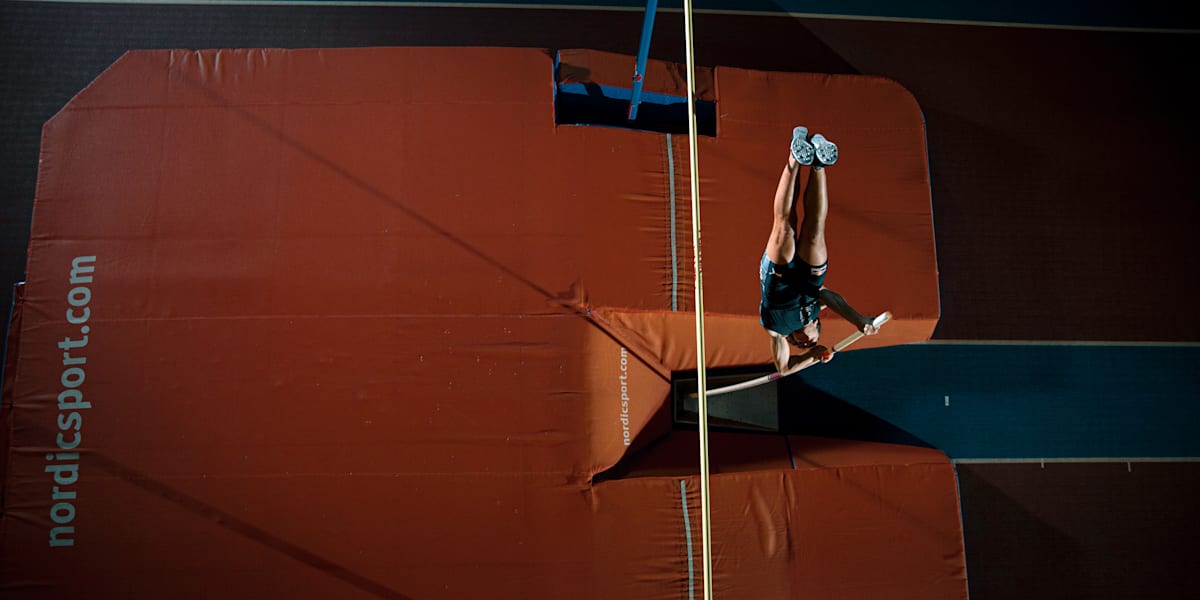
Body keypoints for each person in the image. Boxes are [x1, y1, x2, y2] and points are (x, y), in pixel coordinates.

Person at [760, 126, 880, 374]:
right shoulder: (817, 308)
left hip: (778, 284)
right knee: (814, 232)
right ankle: (818, 163)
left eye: (800, 344)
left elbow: (784, 368)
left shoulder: (777, 330)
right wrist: (859, 320)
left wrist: (809, 357)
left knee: (785, 227)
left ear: (790, 339)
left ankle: (795, 157)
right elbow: (830, 297)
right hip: (807, 282)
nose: (806, 342)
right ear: (817, 326)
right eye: (812, 342)